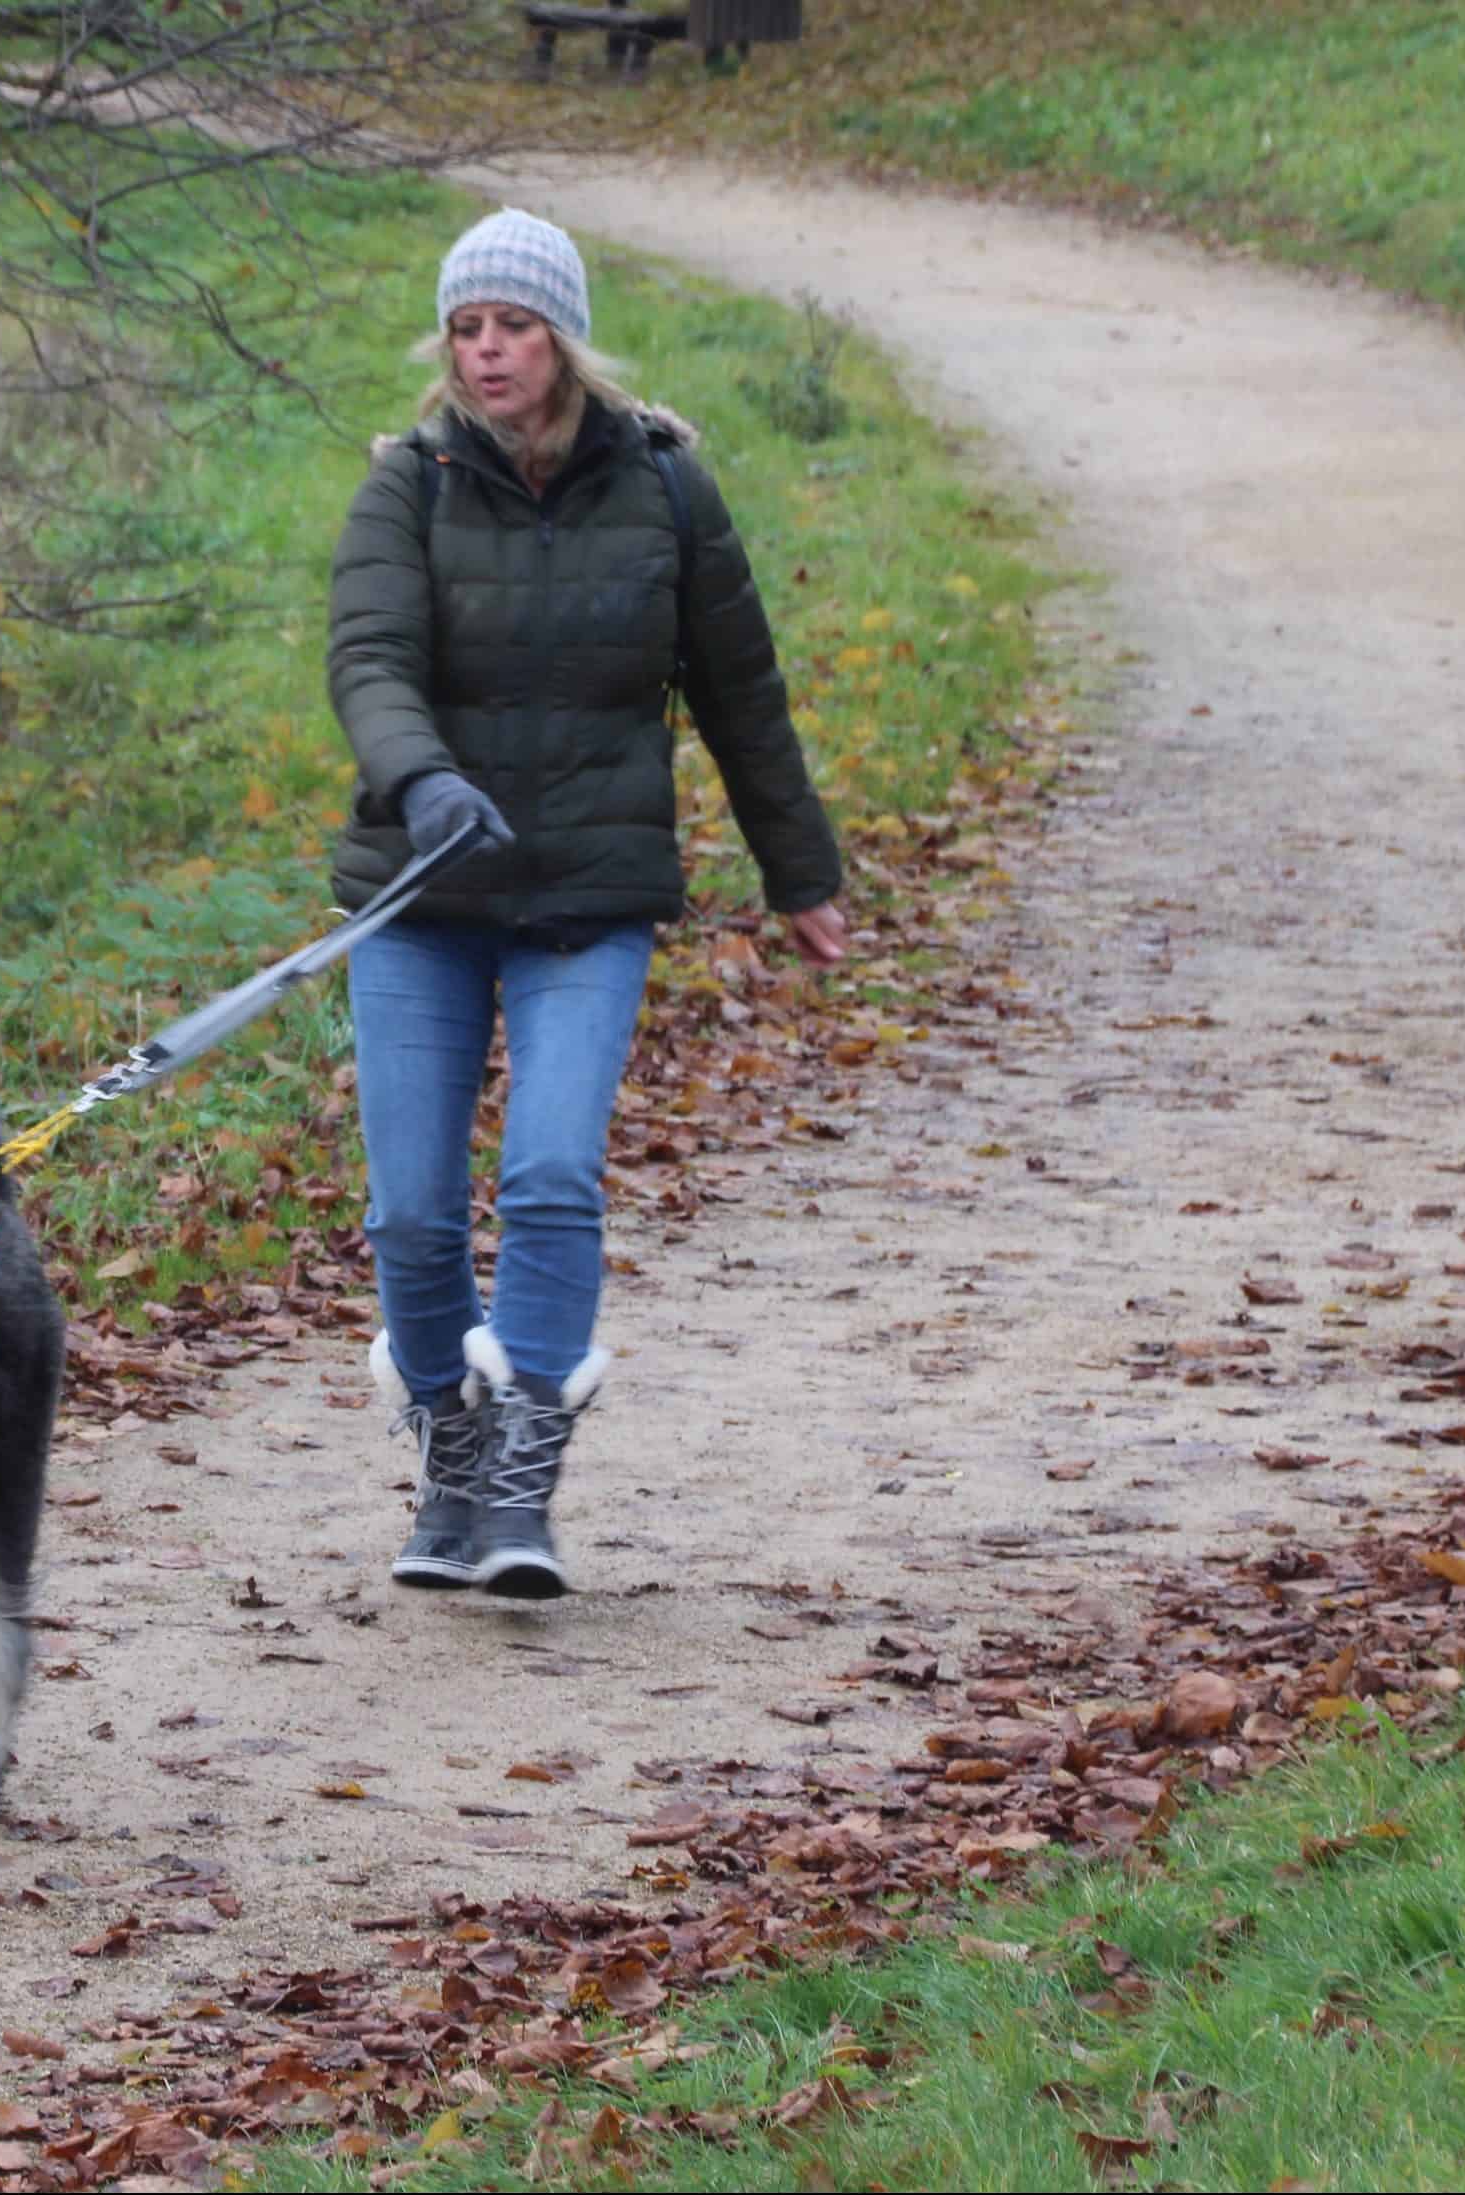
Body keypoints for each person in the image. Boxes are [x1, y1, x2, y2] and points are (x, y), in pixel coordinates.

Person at [327, 208, 847, 1600]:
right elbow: (368, 659)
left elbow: (741, 690)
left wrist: (799, 873)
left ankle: (519, 1480)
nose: (487, 351)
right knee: (415, 1212)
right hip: (424, 894)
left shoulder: (664, 485)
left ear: (563, 337)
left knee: (550, 1172)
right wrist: (423, 780)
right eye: (466, 328)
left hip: (587, 894)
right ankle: (448, 1441)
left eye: (513, 325)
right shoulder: (408, 486)